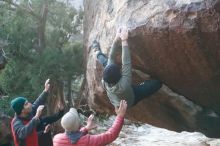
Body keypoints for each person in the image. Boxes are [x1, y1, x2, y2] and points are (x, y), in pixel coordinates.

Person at [91, 27, 162, 108]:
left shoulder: (105, 80)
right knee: (157, 83)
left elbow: (111, 58)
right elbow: (126, 63)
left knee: (105, 62)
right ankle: (145, 84)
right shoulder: (124, 85)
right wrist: (124, 40)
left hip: (116, 101)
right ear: (120, 76)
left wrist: (116, 39)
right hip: (131, 99)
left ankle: (96, 51)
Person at [53, 100, 127, 146]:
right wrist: (120, 116)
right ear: (78, 125)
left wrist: (86, 128)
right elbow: (110, 135)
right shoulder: (87, 141)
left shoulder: (57, 139)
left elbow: (72, 137)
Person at [10, 79, 50, 146]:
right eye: (26, 104)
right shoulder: (16, 122)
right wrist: (36, 117)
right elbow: (23, 133)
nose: (30, 104)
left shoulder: (28, 113)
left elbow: (37, 103)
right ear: (22, 110)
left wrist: (45, 91)